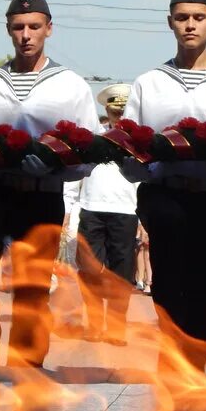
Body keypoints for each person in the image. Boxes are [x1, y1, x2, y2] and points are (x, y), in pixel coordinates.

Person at [0, 0, 101, 368]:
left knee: (32, 288)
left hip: (41, 195)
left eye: (34, 26)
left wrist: (59, 167)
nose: (26, 35)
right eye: (18, 27)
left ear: (49, 29)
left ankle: (27, 357)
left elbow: (90, 149)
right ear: (8, 29)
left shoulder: (70, 84)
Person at [121, 0, 206, 372]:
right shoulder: (150, 82)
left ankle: (196, 364)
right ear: (170, 23)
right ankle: (171, 365)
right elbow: (128, 143)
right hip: (164, 197)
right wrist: (149, 165)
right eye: (182, 18)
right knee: (165, 286)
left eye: (198, 17)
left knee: (201, 288)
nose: (190, 25)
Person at [75, 83, 140, 346]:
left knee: (121, 273)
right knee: (88, 268)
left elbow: (144, 179)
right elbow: (76, 171)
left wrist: (144, 217)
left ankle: (115, 327)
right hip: (92, 207)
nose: (119, 118)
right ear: (107, 111)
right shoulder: (95, 139)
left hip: (125, 210)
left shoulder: (138, 141)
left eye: (123, 112)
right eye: (115, 112)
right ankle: (92, 322)